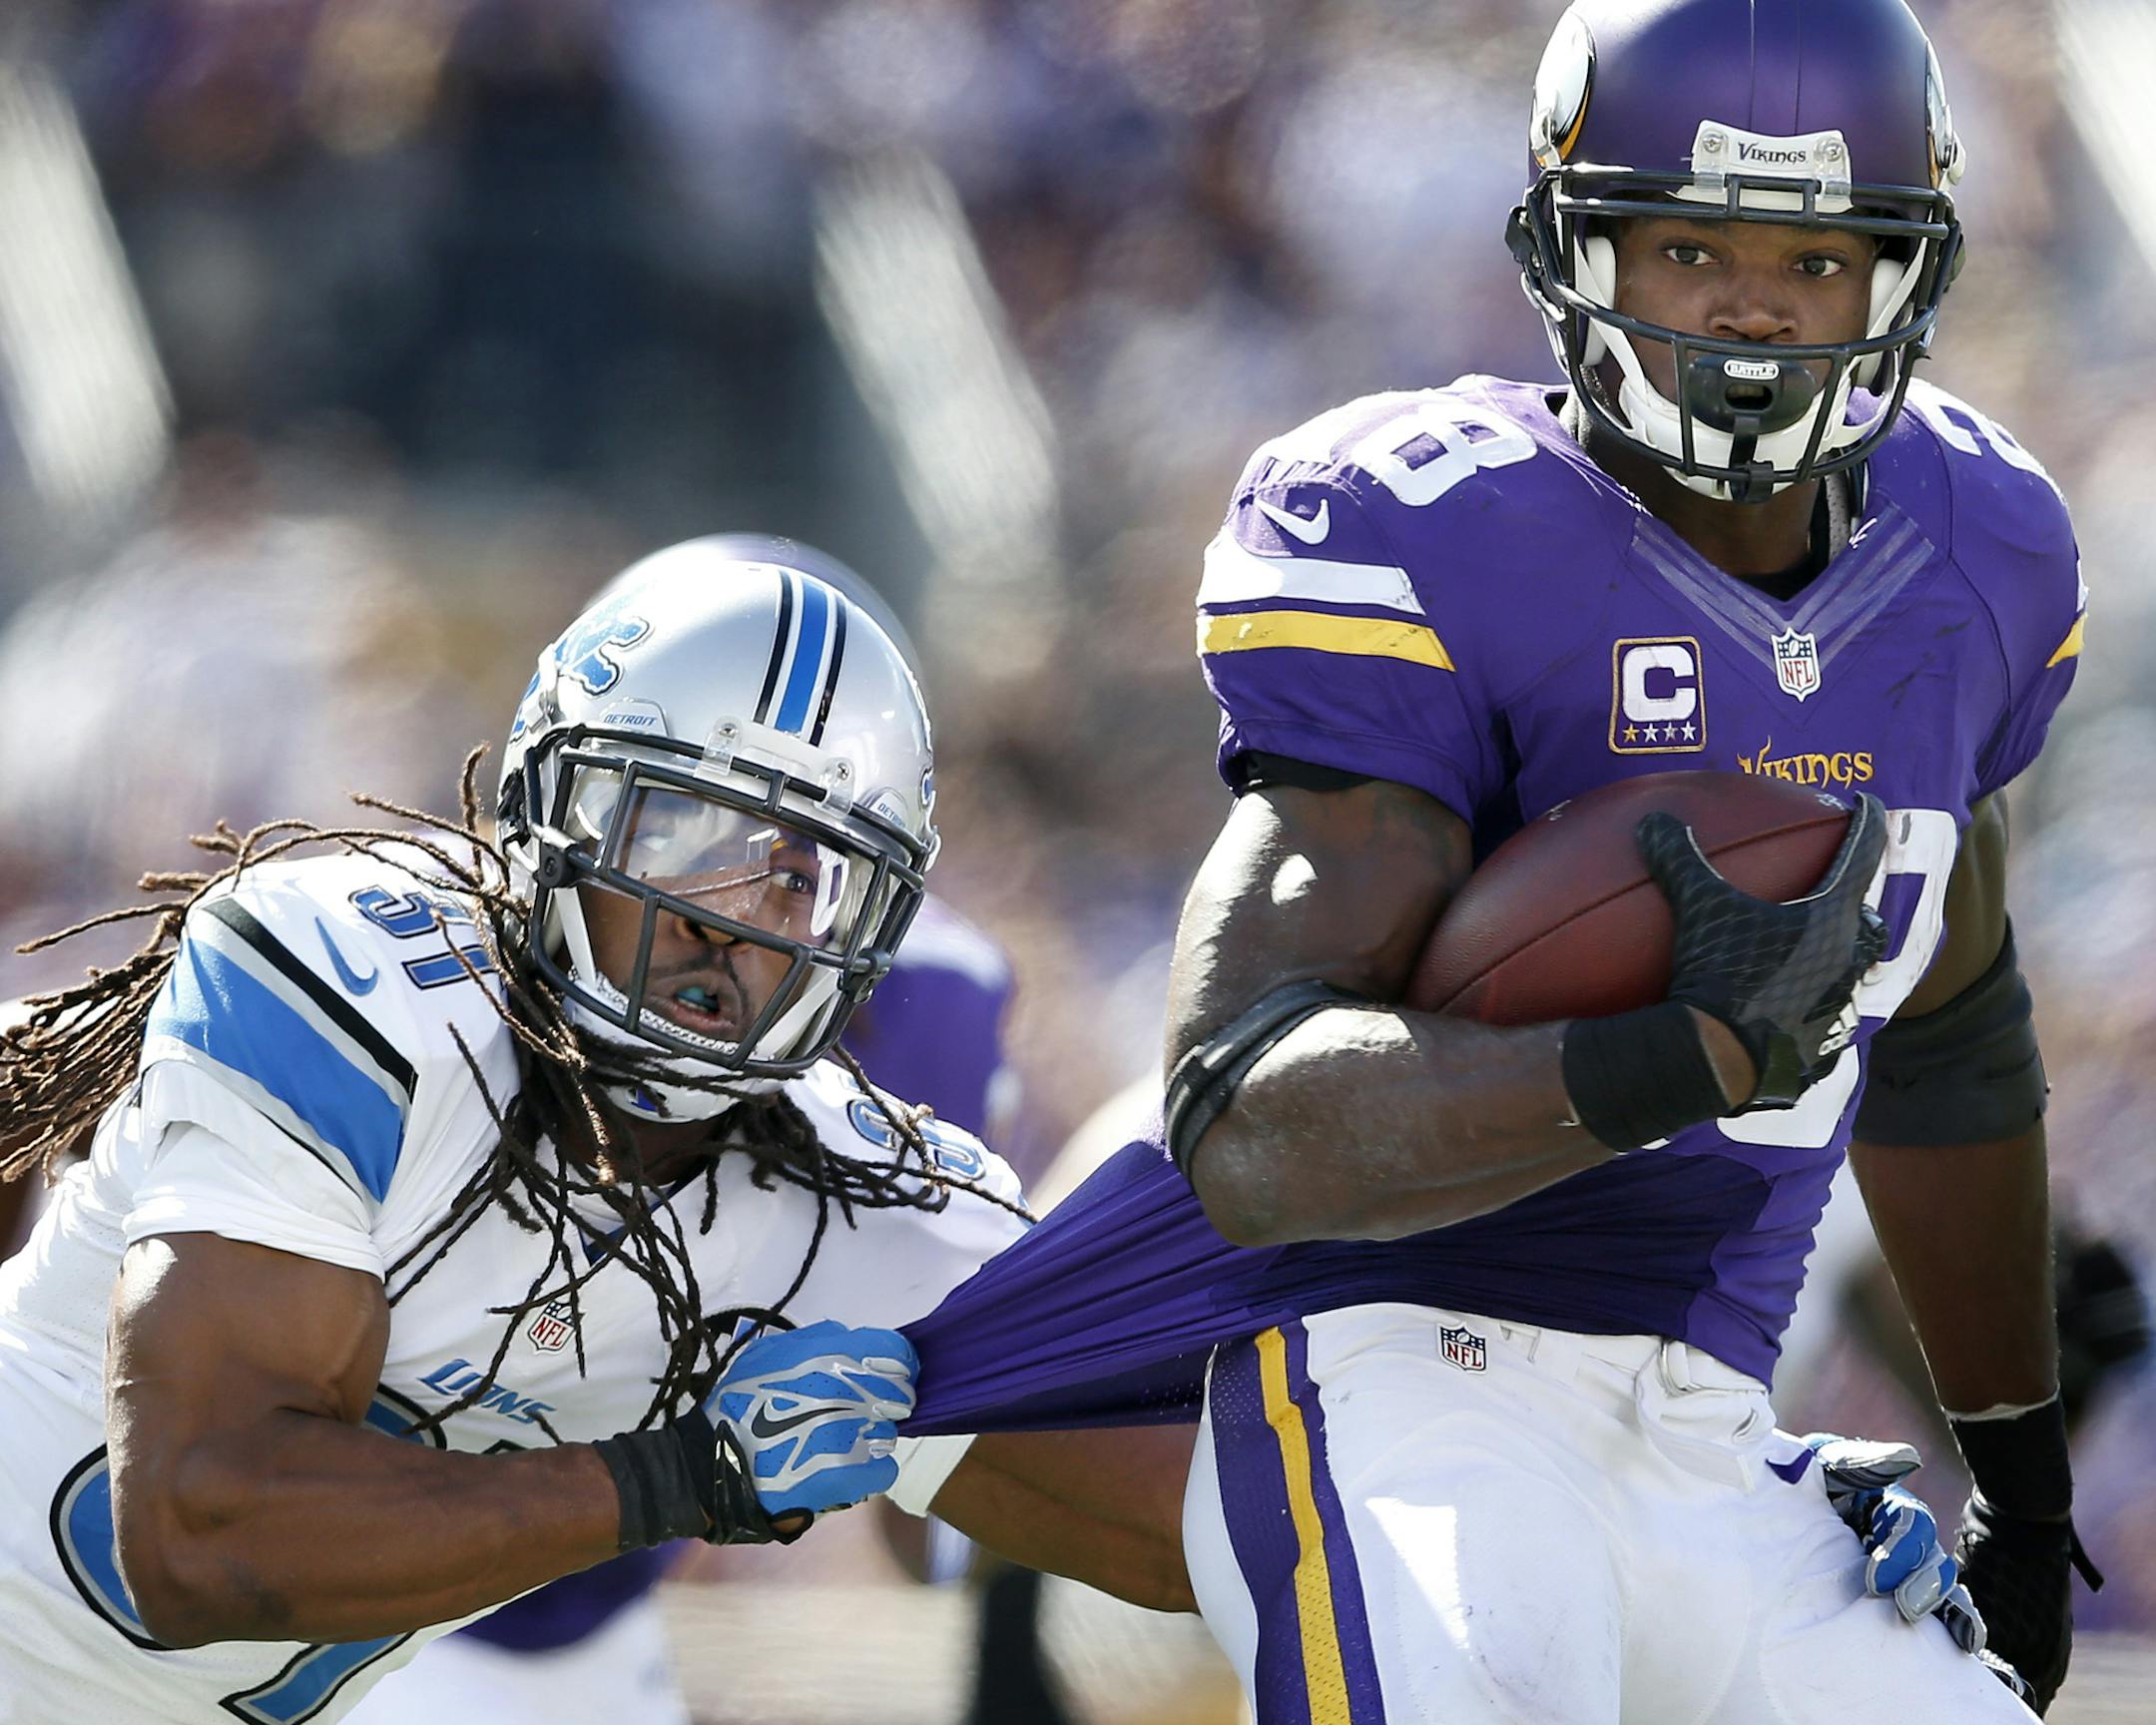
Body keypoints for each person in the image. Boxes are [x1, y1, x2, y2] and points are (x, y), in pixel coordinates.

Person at [900, 1, 2092, 1718]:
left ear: (1908, 273)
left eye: (1817, 259)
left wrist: (2022, 1484)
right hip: (1401, 1368)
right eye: (1687, 245)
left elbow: (1957, 1034)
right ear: (1571, 242)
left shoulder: (1976, 547)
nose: (1753, 306)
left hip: (1703, 1425)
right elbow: (1247, 1112)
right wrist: (1676, 1050)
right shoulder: (1428, 529)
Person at [0, 538, 1196, 1725]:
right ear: (552, 809)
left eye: (801, 875)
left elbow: (1199, 1533)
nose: (734, 921)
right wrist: (680, 1478)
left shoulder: (865, 1204)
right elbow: (200, 1533)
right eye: (683, 833)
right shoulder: (355, 977)